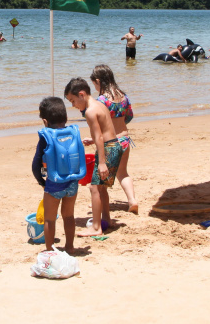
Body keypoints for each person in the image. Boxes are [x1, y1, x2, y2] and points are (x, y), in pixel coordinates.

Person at [64, 77, 121, 237]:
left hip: (108, 149)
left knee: (94, 188)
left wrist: (101, 162)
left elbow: (99, 138)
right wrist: (94, 140)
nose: (73, 105)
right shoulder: (100, 104)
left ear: (81, 94)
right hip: (114, 145)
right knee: (101, 187)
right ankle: (107, 219)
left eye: (73, 101)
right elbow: (105, 131)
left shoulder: (89, 111)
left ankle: (96, 227)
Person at [31, 97, 84, 253]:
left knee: (49, 218)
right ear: (65, 117)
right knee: (69, 216)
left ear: (45, 121)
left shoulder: (46, 137)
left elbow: (36, 165)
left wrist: (41, 181)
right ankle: (69, 247)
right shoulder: (73, 133)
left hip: (54, 184)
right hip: (72, 182)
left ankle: (50, 250)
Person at [90, 64, 138, 214]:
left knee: (102, 180)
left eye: (95, 85)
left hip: (112, 142)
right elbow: (129, 116)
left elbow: (100, 124)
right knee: (123, 173)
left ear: (98, 81)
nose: (95, 88)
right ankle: (132, 200)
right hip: (125, 139)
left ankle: (102, 208)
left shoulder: (102, 100)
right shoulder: (123, 96)